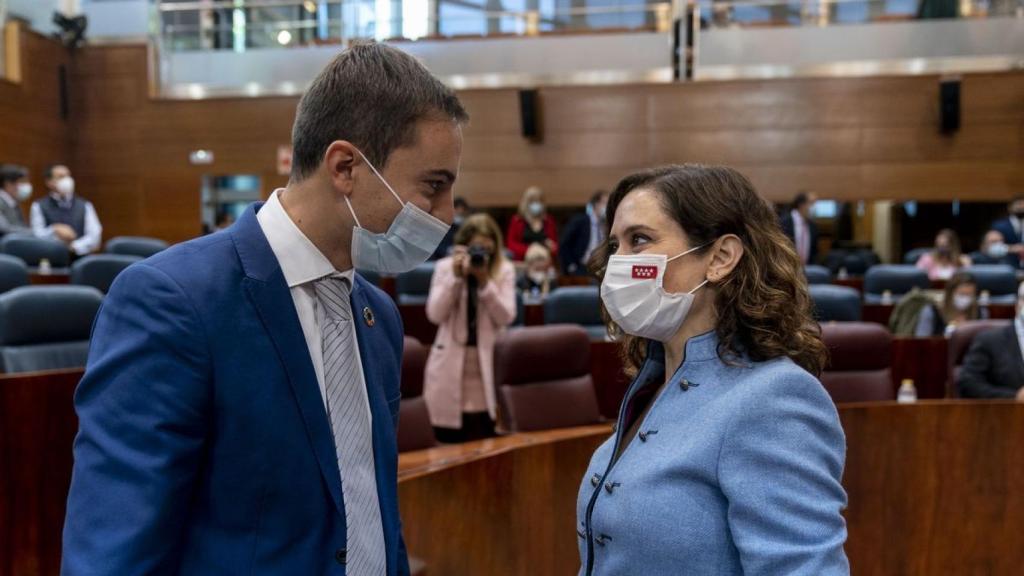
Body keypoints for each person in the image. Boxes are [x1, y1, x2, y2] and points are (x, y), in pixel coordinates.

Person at [62, 42, 468, 575]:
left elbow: (371, 510)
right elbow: (115, 552)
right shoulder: (171, 301)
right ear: (345, 167)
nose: (447, 213)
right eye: (434, 186)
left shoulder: (379, 316)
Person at [578, 165, 848, 575]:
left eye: (640, 240)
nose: (617, 262)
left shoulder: (774, 398)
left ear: (720, 258)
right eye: (615, 245)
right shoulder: (655, 383)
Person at [424, 213, 516, 443]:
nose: (480, 255)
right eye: (476, 248)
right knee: (448, 441)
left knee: (488, 440)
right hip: (449, 365)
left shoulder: (504, 270)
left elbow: (506, 316)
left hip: (488, 365)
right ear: (464, 247)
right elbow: (435, 314)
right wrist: (455, 278)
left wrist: (485, 283)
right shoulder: (446, 268)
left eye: (486, 249)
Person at [957, 282, 1024, 400]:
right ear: (1017, 305)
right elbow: (968, 383)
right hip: (1004, 409)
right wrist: (1013, 396)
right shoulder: (989, 341)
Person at [30, 164, 102, 256]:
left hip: (80, 256)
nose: (67, 180)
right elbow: (36, 235)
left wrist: (73, 247)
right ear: (49, 182)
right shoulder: (38, 205)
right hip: (50, 256)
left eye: (68, 176)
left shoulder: (85, 205)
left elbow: (95, 235)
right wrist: (54, 229)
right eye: (61, 177)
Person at [560, 189, 608, 275]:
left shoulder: (606, 225)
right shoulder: (580, 221)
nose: (607, 207)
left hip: (599, 268)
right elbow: (565, 243)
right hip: (580, 267)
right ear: (596, 204)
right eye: (605, 203)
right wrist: (571, 266)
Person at [506, 185, 558, 261]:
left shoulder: (548, 221)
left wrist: (549, 247)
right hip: (522, 261)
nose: (536, 204)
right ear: (526, 202)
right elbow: (511, 244)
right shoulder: (517, 220)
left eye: (539, 201)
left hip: (544, 260)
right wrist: (530, 249)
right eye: (532, 201)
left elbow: (555, 246)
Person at [779, 191, 818, 265]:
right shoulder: (784, 222)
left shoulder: (813, 226)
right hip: (787, 266)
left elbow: (814, 251)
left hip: (808, 267)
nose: (815, 206)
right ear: (801, 204)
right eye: (812, 203)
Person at [431, 196, 470, 260]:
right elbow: (438, 246)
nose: (459, 212)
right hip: (443, 258)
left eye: (462, 211)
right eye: (457, 210)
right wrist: (450, 251)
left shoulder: (467, 228)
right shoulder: (444, 227)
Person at [991, 196, 1024, 269]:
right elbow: (992, 248)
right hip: (1006, 266)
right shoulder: (999, 226)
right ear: (1010, 208)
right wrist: (1012, 248)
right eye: (1019, 205)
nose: (1022, 208)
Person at [0, 164, 33, 236]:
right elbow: (4, 229)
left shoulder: (13, 202)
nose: (26, 186)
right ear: (8, 183)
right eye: (21, 182)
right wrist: (35, 233)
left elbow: (21, 226)